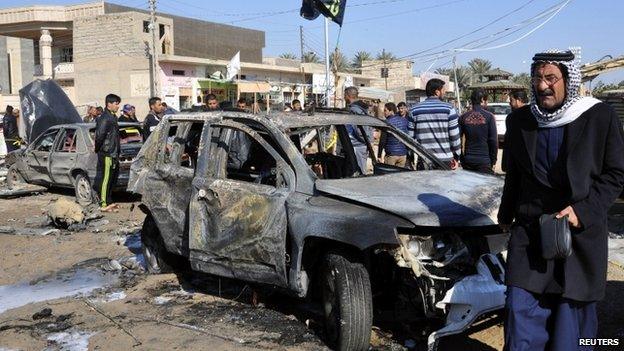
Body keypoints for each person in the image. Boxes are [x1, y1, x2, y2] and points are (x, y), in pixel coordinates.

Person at [499, 50, 624, 351]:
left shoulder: (599, 116)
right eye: (537, 78)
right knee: (520, 319)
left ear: (569, 80)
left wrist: (583, 211)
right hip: (529, 238)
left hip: (578, 239)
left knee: (571, 335)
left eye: (551, 78)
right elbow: (513, 176)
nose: (543, 86)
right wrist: (505, 217)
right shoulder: (519, 121)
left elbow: (616, 174)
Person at [409, 78, 461, 169]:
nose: (444, 93)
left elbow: (410, 138)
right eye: (443, 90)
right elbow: (455, 137)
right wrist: (457, 156)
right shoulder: (449, 109)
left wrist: (411, 157)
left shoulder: (414, 110)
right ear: (437, 92)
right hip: (444, 161)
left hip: (424, 160)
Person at [93, 94, 122, 211]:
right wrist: (97, 149)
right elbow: (100, 136)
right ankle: (104, 203)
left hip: (113, 153)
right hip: (107, 153)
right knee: (105, 178)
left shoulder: (112, 117)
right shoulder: (105, 118)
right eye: (116, 103)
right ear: (109, 104)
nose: (118, 106)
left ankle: (109, 201)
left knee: (111, 179)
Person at [458, 89, 498, 174]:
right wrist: (493, 161)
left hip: (468, 160)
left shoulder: (463, 117)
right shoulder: (489, 117)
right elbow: (493, 141)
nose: (487, 103)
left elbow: (458, 141)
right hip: (484, 161)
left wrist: (461, 158)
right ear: (482, 100)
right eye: (486, 100)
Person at [344, 86, 372, 174]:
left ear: (348, 95)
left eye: (344, 95)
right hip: (360, 146)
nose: (344, 97)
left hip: (357, 147)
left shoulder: (354, 110)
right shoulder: (362, 109)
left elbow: (360, 131)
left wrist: (362, 141)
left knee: (358, 174)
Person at [502, 90, 529, 172]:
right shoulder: (534, 114)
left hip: (515, 163)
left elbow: (508, 141)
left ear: (519, 100)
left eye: (511, 100)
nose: (509, 103)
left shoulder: (512, 117)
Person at [377, 102, 408, 167]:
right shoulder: (404, 120)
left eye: (385, 110)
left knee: (390, 175)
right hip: (403, 155)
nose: (384, 113)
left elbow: (383, 140)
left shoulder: (387, 123)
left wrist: (379, 155)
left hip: (391, 155)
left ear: (391, 111)